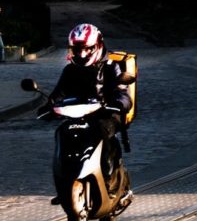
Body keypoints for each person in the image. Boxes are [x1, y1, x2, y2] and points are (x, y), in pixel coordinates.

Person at [44, 23, 133, 202]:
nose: (82, 54)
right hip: (77, 114)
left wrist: (119, 103)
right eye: (77, 50)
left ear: (97, 46)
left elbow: (123, 93)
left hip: (105, 114)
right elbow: (58, 93)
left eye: (87, 49)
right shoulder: (69, 70)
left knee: (103, 131)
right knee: (61, 132)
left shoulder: (110, 67)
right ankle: (64, 181)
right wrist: (49, 106)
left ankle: (109, 179)